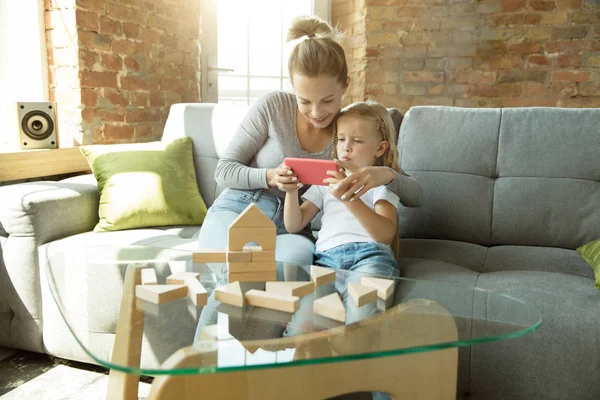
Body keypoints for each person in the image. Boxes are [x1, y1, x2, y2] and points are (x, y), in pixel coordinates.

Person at [196, 15, 423, 267]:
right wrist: (271, 176)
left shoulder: (351, 132)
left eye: (327, 101)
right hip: (242, 207)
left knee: (284, 282)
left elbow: (415, 196)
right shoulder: (274, 107)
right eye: (304, 101)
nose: (316, 113)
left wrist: (385, 175)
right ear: (292, 87)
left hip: (292, 230)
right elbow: (224, 170)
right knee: (229, 273)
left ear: (345, 86)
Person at [283, 100, 400, 280]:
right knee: (321, 307)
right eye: (341, 139)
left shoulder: (381, 182)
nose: (346, 147)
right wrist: (291, 191)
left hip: (370, 255)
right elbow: (294, 225)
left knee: (363, 304)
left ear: (380, 148)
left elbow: (385, 236)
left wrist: (347, 197)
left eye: (357, 141)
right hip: (326, 258)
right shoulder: (326, 179)